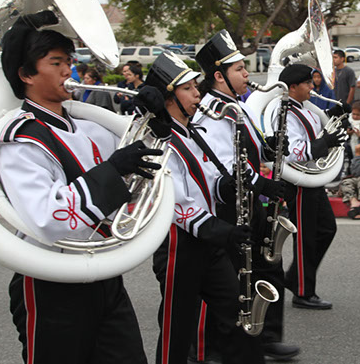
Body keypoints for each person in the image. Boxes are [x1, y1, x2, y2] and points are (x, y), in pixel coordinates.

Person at [0, 15, 166, 364]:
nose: (66, 71)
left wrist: (157, 120)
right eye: (55, 63)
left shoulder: (89, 127)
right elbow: (48, 217)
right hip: (51, 279)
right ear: (26, 75)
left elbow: (152, 164)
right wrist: (113, 171)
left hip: (103, 273)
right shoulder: (20, 139)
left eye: (69, 62)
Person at [144, 51, 264, 364]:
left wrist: (234, 185)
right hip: (178, 246)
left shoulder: (191, 132)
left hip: (208, 243)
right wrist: (222, 231)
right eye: (188, 89)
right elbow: (176, 202)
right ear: (170, 96)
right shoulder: (159, 139)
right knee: (177, 330)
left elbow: (211, 179)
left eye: (197, 86)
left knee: (239, 314)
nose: (198, 93)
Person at [192, 30, 299, 361]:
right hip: (224, 207)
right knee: (230, 280)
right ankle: (209, 348)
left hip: (248, 200)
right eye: (239, 69)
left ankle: (263, 336)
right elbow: (224, 163)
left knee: (265, 270)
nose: (247, 74)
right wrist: (262, 184)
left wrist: (271, 145)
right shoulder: (210, 112)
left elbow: (253, 147)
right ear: (219, 76)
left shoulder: (238, 106)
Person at [273, 64, 345, 310]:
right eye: (308, 83)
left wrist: (337, 119)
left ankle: (294, 278)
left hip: (312, 179)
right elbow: (293, 152)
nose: (313, 87)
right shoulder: (285, 113)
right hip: (299, 182)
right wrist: (326, 141)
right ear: (293, 87)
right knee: (305, 237)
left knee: (326, 229)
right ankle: (303, 291)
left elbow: (317, 136)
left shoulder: (305, 109)